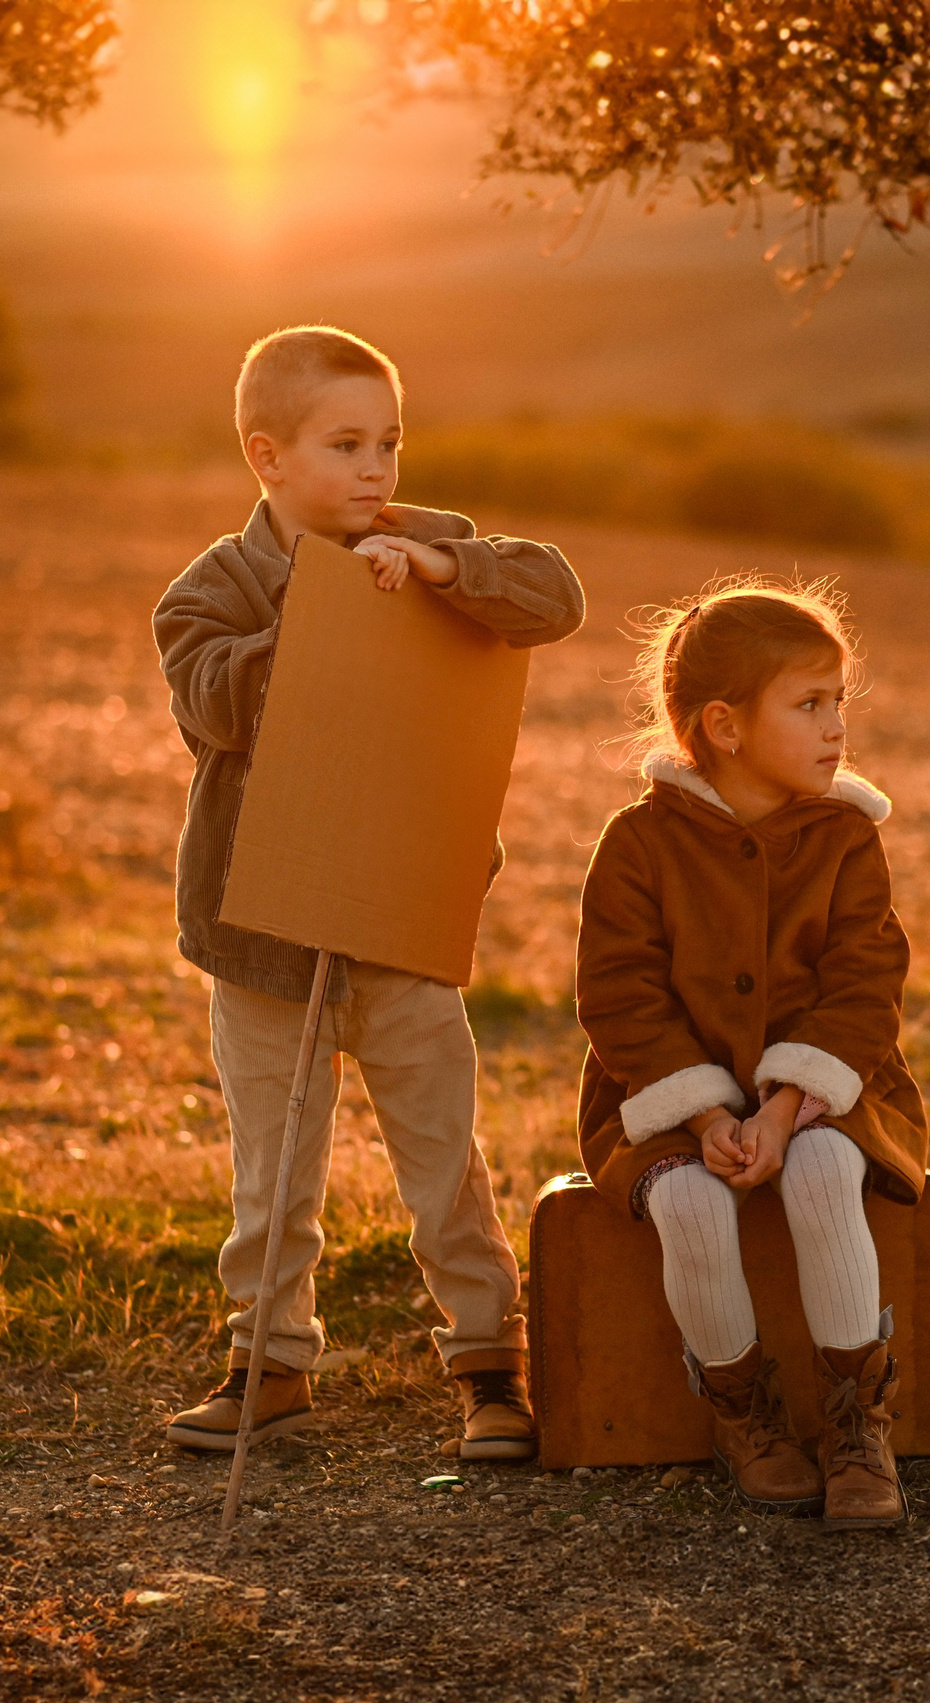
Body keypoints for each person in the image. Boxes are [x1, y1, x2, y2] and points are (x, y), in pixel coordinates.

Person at [152, 325, 583, 1459]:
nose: (376, 469)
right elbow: (218, 707)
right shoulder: (211, 589)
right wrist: (333, 605)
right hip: (260, 945)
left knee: (443, 1161)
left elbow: (553, 595)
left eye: (389, 441)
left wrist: (440, 573)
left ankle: (492, 1366)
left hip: (402, 926)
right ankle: (269, 1361)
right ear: (268, 456)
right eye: (344, 444)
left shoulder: (426, 544)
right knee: (273, 1172)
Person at [574, 582, 928, 1529]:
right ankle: (744, 1413)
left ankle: (860, 1421)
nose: (835, 726)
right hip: (661, 1099)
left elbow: (864, 986)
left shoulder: (849, 837)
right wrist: (703, 1114)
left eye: (839, 701)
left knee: (818, 1174)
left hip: (831, 1093)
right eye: (809, 704)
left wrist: (780, 1108)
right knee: (688, 1197)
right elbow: (620, 995)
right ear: (725, 726)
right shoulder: (639, 843)